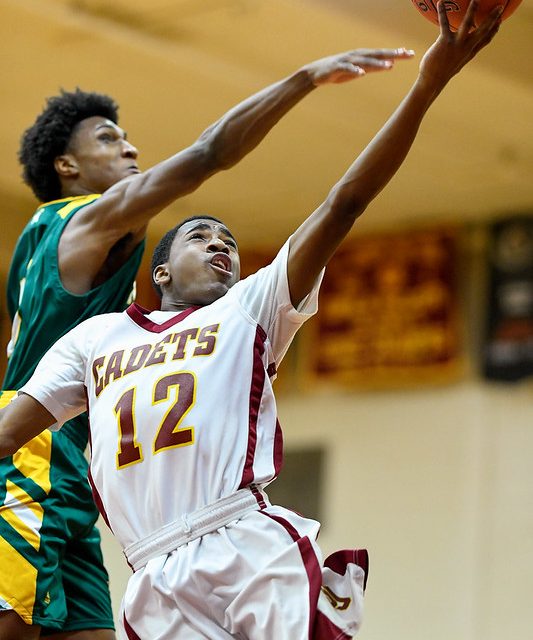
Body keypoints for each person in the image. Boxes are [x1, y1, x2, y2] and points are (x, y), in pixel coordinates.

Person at [0, 2, 502, 638]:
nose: (220, 245)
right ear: (156, 271)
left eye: (229, 241)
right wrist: (303, 78)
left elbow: (345, 203)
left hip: (238, 539)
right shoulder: (94, 314)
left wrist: (429, 83)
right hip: (144, 559)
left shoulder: (249, 306)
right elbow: (210, 151)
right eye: (200, 235)